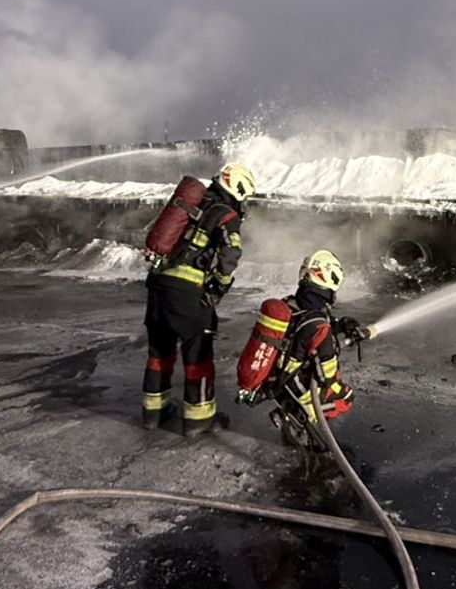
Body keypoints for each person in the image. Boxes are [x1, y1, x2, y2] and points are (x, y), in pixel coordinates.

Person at [142, 161, 256, 435]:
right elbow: (230, 256)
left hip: (158, 286)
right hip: (188, 294)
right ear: (238, 188)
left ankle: (153, 414)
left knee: (160, 353)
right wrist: (219, 287)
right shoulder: (225, 215)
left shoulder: (192, 205)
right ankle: (198, 419)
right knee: (198, 356)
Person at [237, 249, 369, 451]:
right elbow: (327, 375)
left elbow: (306, 323)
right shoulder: (317, 325)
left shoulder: (291, 303)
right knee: (345, 398)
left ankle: (294, 412)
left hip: (274, 378)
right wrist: (338, 387)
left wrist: (340, 325)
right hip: (293, 386)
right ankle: (300, 414)